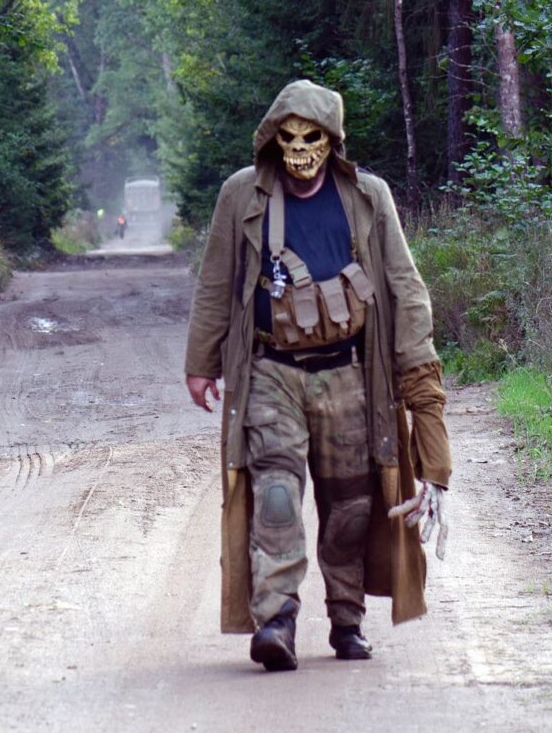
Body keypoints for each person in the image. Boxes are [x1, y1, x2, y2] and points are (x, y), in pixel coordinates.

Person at [183, 79, 452, 672]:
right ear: (273, 141)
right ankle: (275, 619)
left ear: (332, 142)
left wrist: (419, 375)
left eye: (313, 139)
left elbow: (406, 289)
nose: (300, 152)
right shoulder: (242, 196)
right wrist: (202, 362)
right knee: (275, 494)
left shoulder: (368, 198)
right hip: (270, 370)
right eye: (288, 139)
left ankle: (347, 620)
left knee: (351, 506)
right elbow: (215, 282)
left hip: (350, 375)